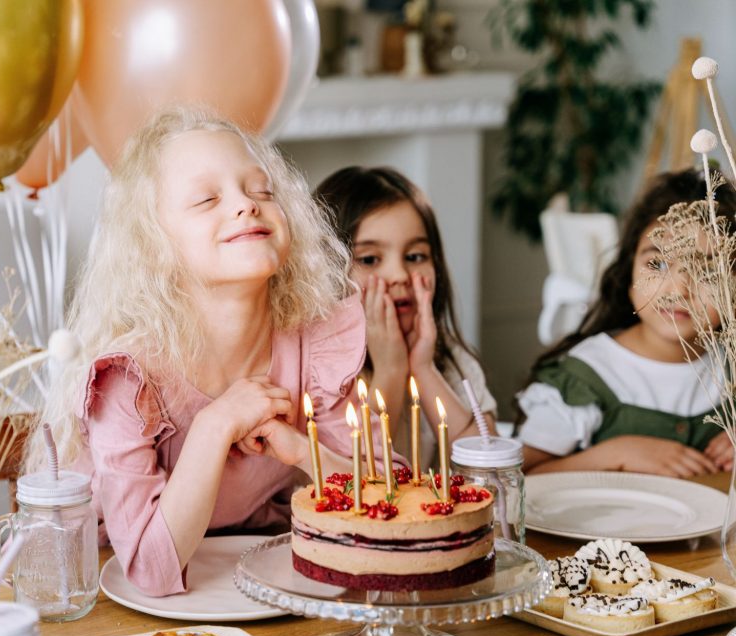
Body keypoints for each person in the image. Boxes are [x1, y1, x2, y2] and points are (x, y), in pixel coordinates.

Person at [33, 108, 404, 597]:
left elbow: (397, 504)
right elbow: (147, 569)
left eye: (262, 190)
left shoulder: (314, 343)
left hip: (253, 575)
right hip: (106, 593)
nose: (246, 206)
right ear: (153, 245)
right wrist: (215, 425)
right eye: (207, 198)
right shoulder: (128, 377)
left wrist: (300, 450)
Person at [517, 168, 736, 476]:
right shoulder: (587, 377)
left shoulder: (730, 364)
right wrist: (614, 455)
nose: (679, 289)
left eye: (708, 269)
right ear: (628, 276)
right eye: (658, 263)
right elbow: (519, 479)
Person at [314, 166, 496, 475]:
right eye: (370, 259)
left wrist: (422, 367)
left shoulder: (449, 359)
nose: (399, 276)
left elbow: (491, 467)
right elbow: (355, 484)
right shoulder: (320, 371)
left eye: (415, 257)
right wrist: (391, 367)